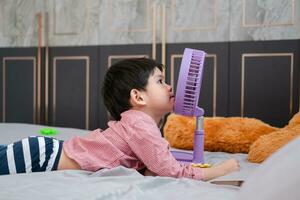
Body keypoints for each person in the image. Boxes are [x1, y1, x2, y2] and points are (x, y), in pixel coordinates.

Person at [0, 58, 239, 180]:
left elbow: (152, 164)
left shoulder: (140, 123)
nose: (169, 87)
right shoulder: (140, 124)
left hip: (46, 152)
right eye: (160, 81)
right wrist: (218, 170)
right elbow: (169, 170)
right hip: (42, 156)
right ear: (138, 96)